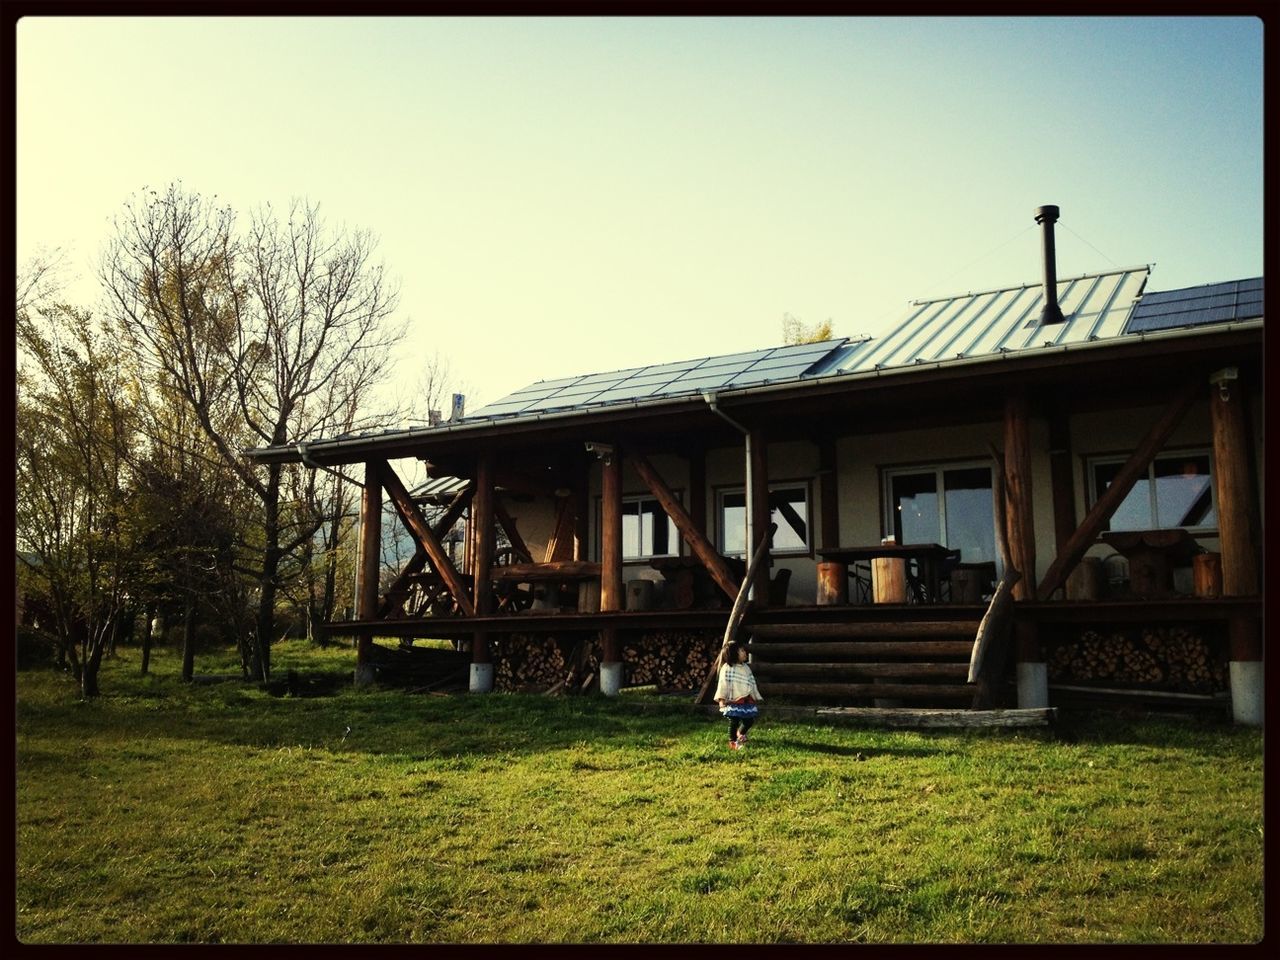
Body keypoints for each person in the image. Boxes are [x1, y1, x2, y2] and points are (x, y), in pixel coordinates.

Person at [714, 640, 763, 750]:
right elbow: (723, 684)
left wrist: (755, 696)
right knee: (734, 720)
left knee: (749, 720)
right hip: (733, 700)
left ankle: (739, 733)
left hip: (746, 700)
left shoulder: (746, 667)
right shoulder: (727, 668)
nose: (745, 653)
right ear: (733, 653)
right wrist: (721, 699)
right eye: (741, 651)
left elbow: (751, 682)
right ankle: (733, 741)